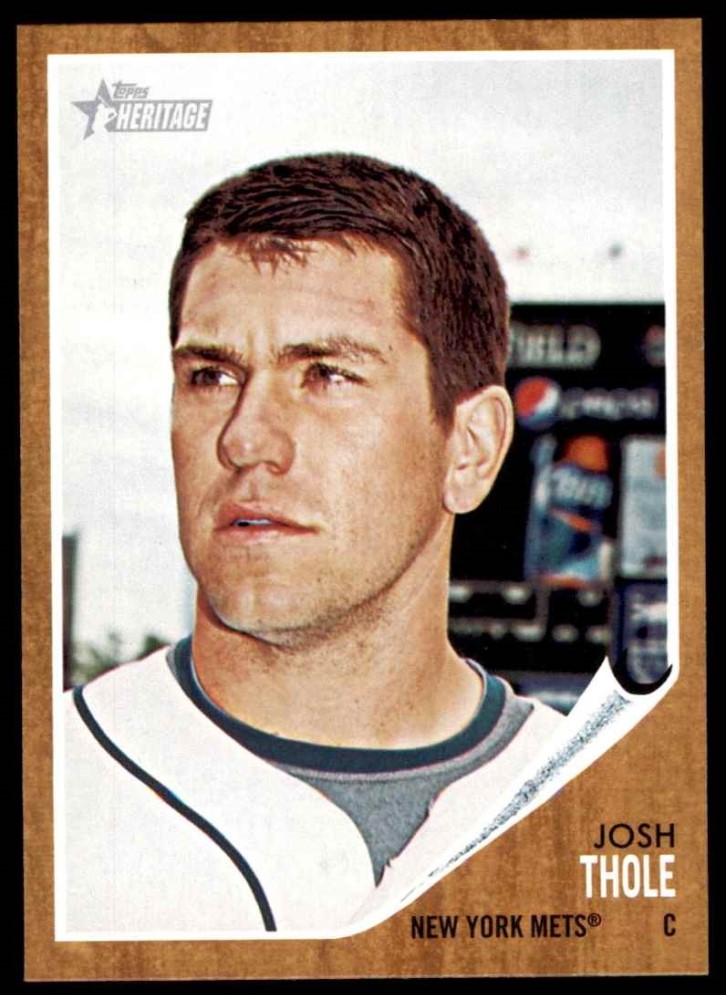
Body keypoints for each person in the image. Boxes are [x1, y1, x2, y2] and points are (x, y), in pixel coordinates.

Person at [61, 153, 564, 938]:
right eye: (212, 376)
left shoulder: (608, 805)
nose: (245, 439)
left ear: (470, 449)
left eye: (327, 375)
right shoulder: (52, 787)